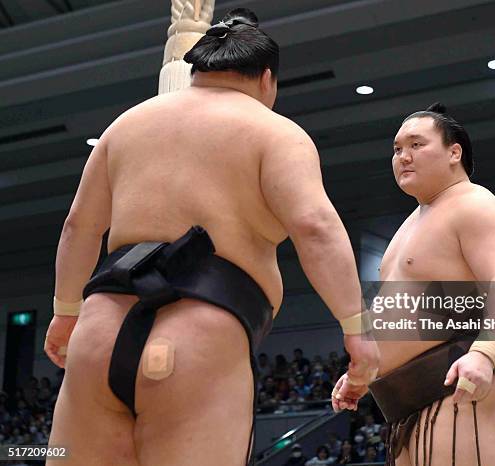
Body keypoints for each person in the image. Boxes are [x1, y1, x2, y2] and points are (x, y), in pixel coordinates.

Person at [43, 8, 377, 466]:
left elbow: (78, 226)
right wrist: (356, 331)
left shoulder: (125, 126)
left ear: (195, 71)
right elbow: (315, 229)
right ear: (267, 81)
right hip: (198, 340)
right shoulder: (275, 132)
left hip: (96, 338)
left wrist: (64, 314)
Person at [333, 103, 495, 466]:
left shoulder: (475, 205)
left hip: (460, 391)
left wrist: (484, 355)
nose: (403, 157)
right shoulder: (411, 224)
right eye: (396, 149)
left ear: (455, 152)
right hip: (406, 407)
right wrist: (362, 373)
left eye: (417, 145)